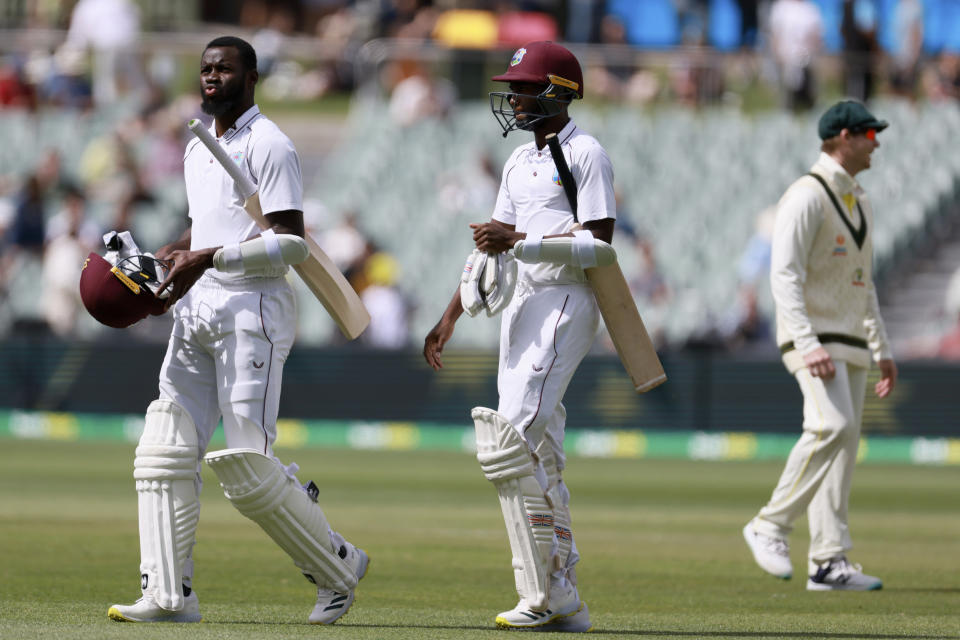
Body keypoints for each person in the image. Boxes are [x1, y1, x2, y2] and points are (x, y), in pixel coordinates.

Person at [107, 36, 368, 625]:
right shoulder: (199, 145)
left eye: (223, 70)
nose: (210, 78)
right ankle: (169, 595)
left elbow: (290, 243)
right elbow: (205, 228)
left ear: (251, 78)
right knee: (163, 452)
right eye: (204, 69)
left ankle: (338, 570)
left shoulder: (271, 144)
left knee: (250, 469)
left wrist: (209, 259)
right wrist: (170, 258)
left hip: (253, 310)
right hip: (198, 309)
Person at [423, 41, 615, 632]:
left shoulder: (585, 153)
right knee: (541, 455)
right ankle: (563, 593)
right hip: (522, 302)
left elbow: (600, 245)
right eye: (513, 87)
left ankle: (537, 592)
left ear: (558, 90)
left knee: (508, 441)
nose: (514, 97)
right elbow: (494, 239)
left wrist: (524, 244)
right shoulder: (517, 163)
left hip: (567, 299)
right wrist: (450, 313)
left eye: (525, 87)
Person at [743, 100, 897, 591]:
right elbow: (783, 274)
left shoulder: (861, 200)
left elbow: (863, 281)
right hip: (813, 336)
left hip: (850, 337)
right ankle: (769, 524)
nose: (876, 145)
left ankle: (828, 561)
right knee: (831, 425)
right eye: (870, 136)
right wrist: (806, 341)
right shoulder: (806, 195)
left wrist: (882, 346)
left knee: (844, 445)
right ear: (845, 137)